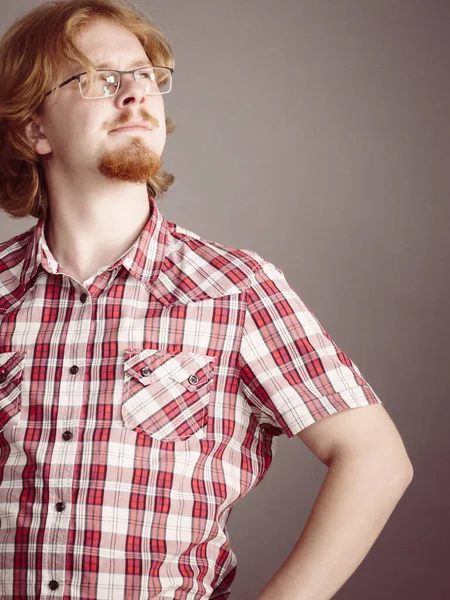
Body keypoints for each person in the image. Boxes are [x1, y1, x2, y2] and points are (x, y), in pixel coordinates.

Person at [0, 1, 413, 599]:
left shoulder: (235, 290)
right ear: (33, 128)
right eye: (98, 78)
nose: (135, 94)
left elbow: (375, 459)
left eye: (144, 76)